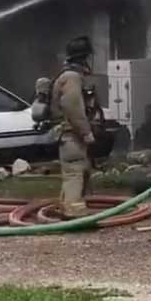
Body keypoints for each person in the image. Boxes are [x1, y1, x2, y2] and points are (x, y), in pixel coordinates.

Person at [50, 35, 95, 217]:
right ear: (84, 57)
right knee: (75, 171)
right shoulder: (72, 77)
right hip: (71, 135)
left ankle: (65, 206)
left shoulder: (67, 75)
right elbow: (72, 106)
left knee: (77, 171)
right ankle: (74, 212)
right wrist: (86, 132)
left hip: (69, 134)